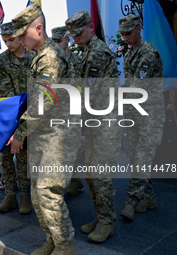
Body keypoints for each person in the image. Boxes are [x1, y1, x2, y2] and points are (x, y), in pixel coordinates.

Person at [10, 3, 81, 254]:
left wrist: (19, 134)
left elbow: (43, 101)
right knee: (39, 195)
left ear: (38, 28)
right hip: (45, 135)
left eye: (22, 34)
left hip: (59, 138)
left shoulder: (50, 57)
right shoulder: (39, 55)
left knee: (47, 192)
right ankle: (51, 239)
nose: (18, 40)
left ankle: (65, 246)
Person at [65, 10, 121, 243]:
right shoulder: (88, 51)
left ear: (90, 26)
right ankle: (101, 216)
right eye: (73, 35)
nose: (75, 38)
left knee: (100, 175)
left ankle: (107, 221)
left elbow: (89, 93)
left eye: (79, 33)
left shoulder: (98, 53)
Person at [117, 15, 165, 221]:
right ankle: (148, 198)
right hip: (135, 114)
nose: (125, 38)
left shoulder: (147, 53)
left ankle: (132, 202)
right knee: (135, 158)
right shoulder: (131, 53)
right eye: (123, 34)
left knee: (142, 159)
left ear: (139, 28)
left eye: (128, 33)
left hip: (150, 117)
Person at [0, 21, 35, 214]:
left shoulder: (35, 58)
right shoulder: (1, 61)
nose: (8, 44)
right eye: (5, 41)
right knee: (6, 156)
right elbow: (7, 95)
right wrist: (11, 128)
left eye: (11, 40)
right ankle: (10, 195)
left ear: (20, 36)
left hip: (33, 114)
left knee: (25, 157)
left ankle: (25, 196)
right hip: (9, 114)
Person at [51, 25, 85, 197]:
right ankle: (72, 179)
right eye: (54, 42)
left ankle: (74, 178)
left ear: (68, 40)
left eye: (59, 41)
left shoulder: (78, 60)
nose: (56, 45)